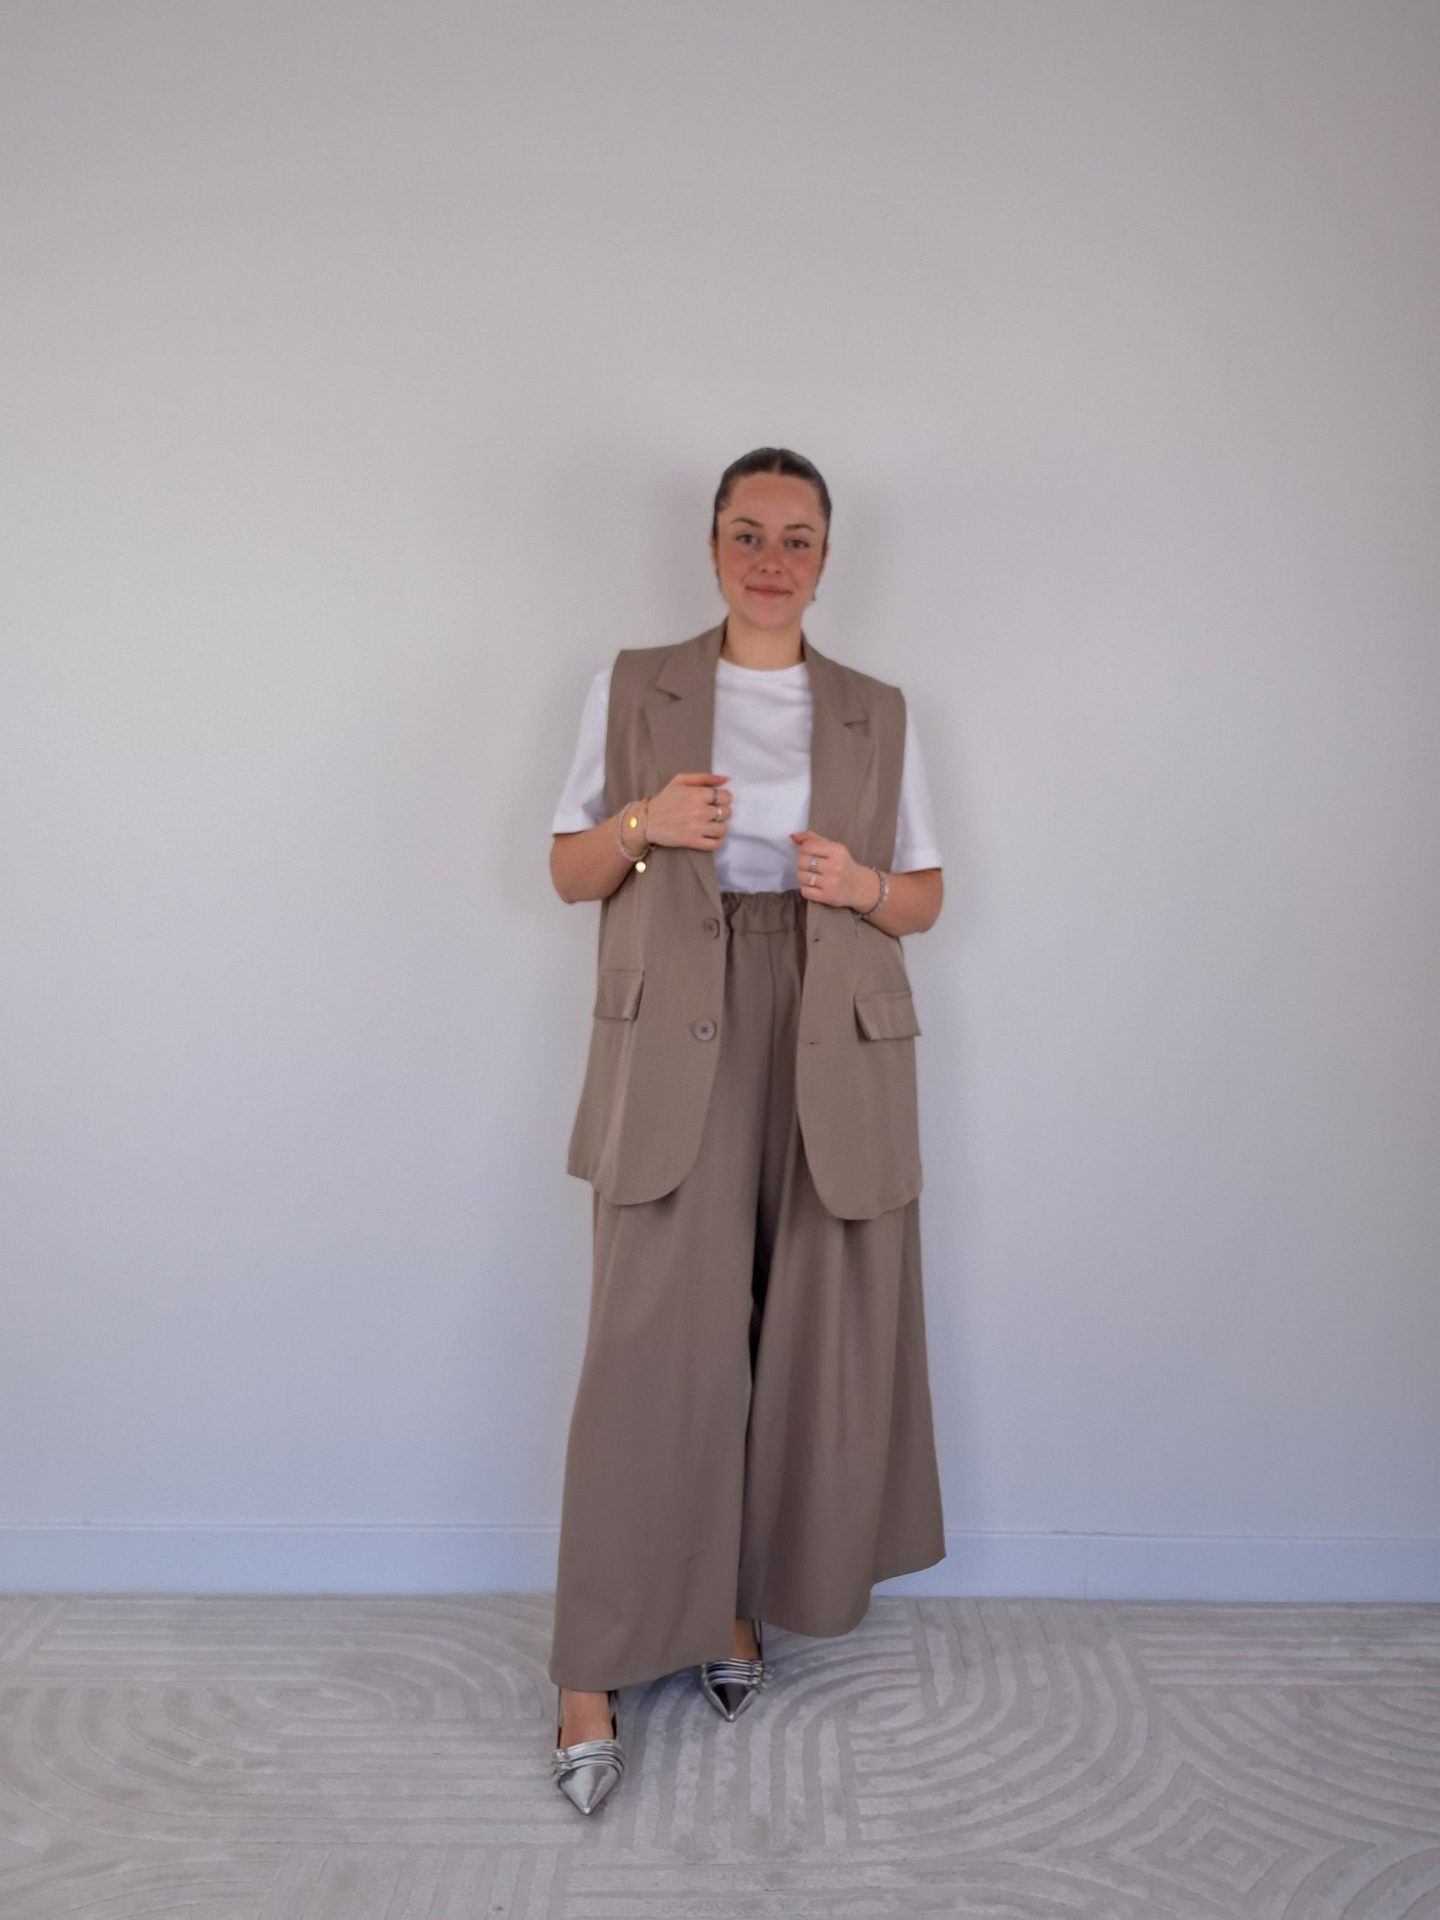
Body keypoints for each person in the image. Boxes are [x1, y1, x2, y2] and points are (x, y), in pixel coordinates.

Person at [545, 446, 947, 1813]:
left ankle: (731, 1603)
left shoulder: (875, 711)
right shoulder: (636, 684)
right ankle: (591, 1666)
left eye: (797, 538)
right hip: (677, 1030)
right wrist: (647, 821)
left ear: (826, 558)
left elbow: (926, 894)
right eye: (747, 533)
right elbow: (568, 871)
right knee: (651, 1345)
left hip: (827, 1024)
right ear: (712, 544)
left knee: (793, 1334)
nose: (771, 560)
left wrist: (863, 884)